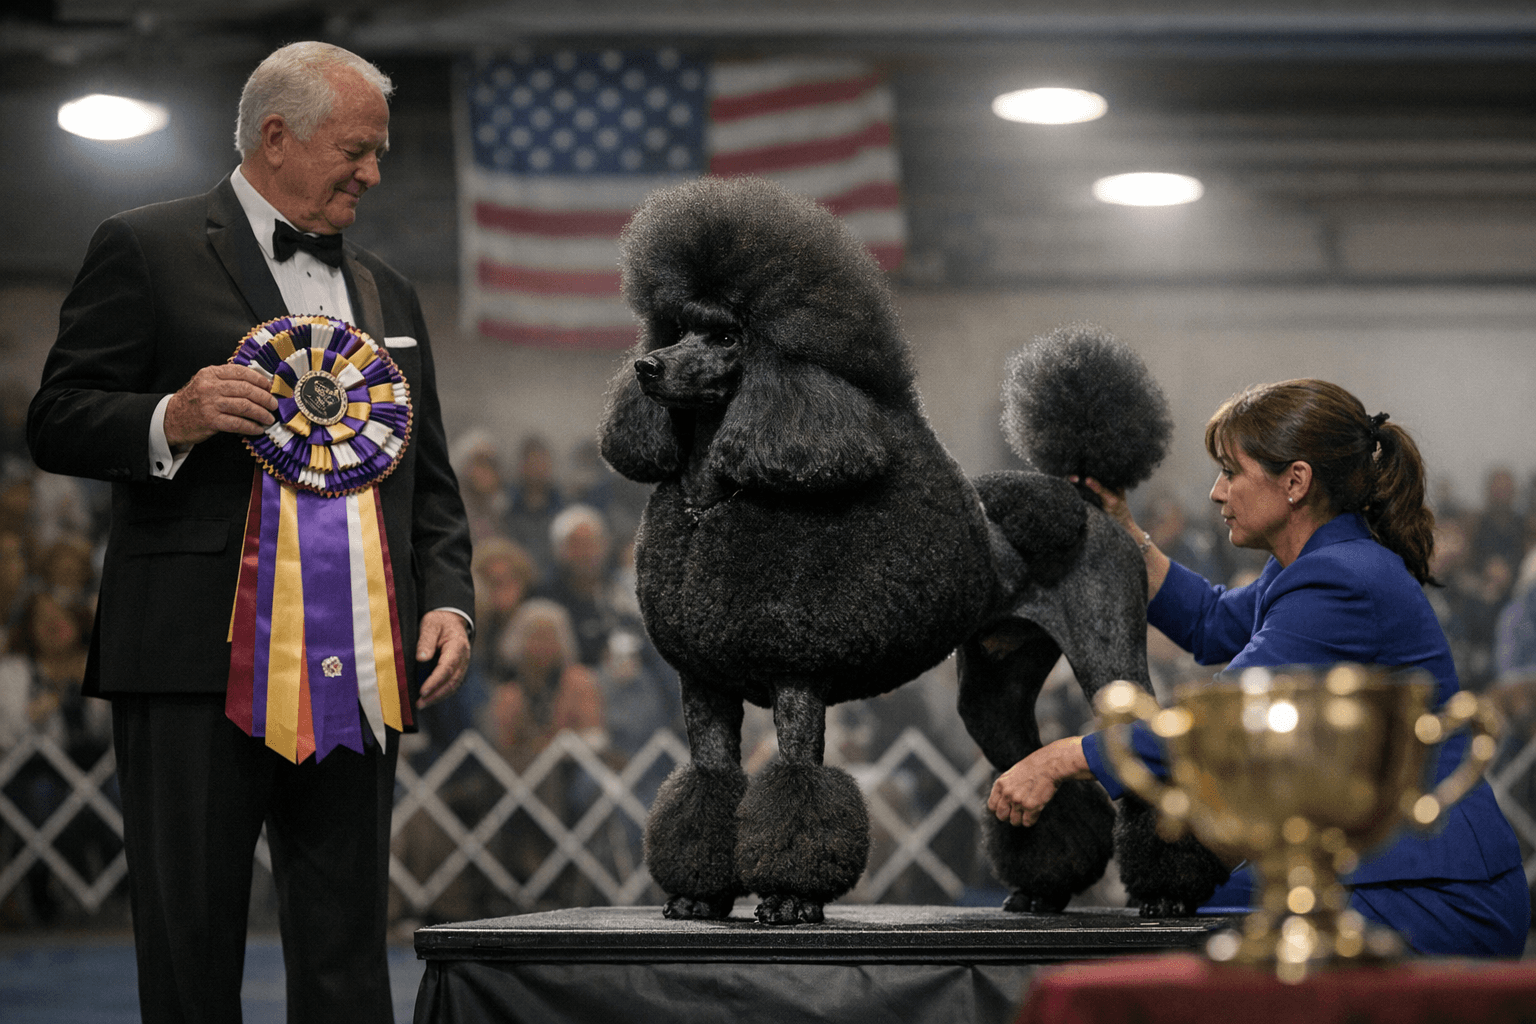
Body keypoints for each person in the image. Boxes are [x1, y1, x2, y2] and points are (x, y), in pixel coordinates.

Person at [26, 42, 474, 1023]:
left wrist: (447, 599)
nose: (375, 172)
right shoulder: (142, 245)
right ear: (278, 135)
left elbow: (427, 478)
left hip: (356, 667)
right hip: (189, 661)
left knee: (350, 950)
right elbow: (54, 417)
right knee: (189, 953)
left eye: (381, 152)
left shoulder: (390, 290)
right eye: (358, 149)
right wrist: (169, 417)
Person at [988, 378, 1529, 956]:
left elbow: (1211, 726)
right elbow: (1209, 620)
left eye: (1231, 472)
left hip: (1433, 891)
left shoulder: (1339, 580)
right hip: (1393, 868)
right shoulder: (1316, 563)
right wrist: (1124, 529)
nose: (1217, 493)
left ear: (1295, 481)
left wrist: (1060, 758)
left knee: (1190, 944)